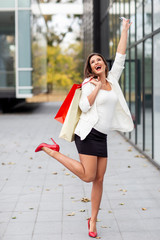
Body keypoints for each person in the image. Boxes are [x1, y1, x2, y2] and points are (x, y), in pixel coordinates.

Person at [35, 18, 133, 238]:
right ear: (90, 68)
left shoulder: (113, 80)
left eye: (99, 60)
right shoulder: (89, 83)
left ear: (104, 65)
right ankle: (51, 151)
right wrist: (96, 88)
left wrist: (125, 29)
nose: (97, 62)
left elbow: (121, 56)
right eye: (92, 62)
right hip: (88, 134)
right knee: (88, 177)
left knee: (99, 180)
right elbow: (84, 105)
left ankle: (93, 221)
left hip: (103, 137)